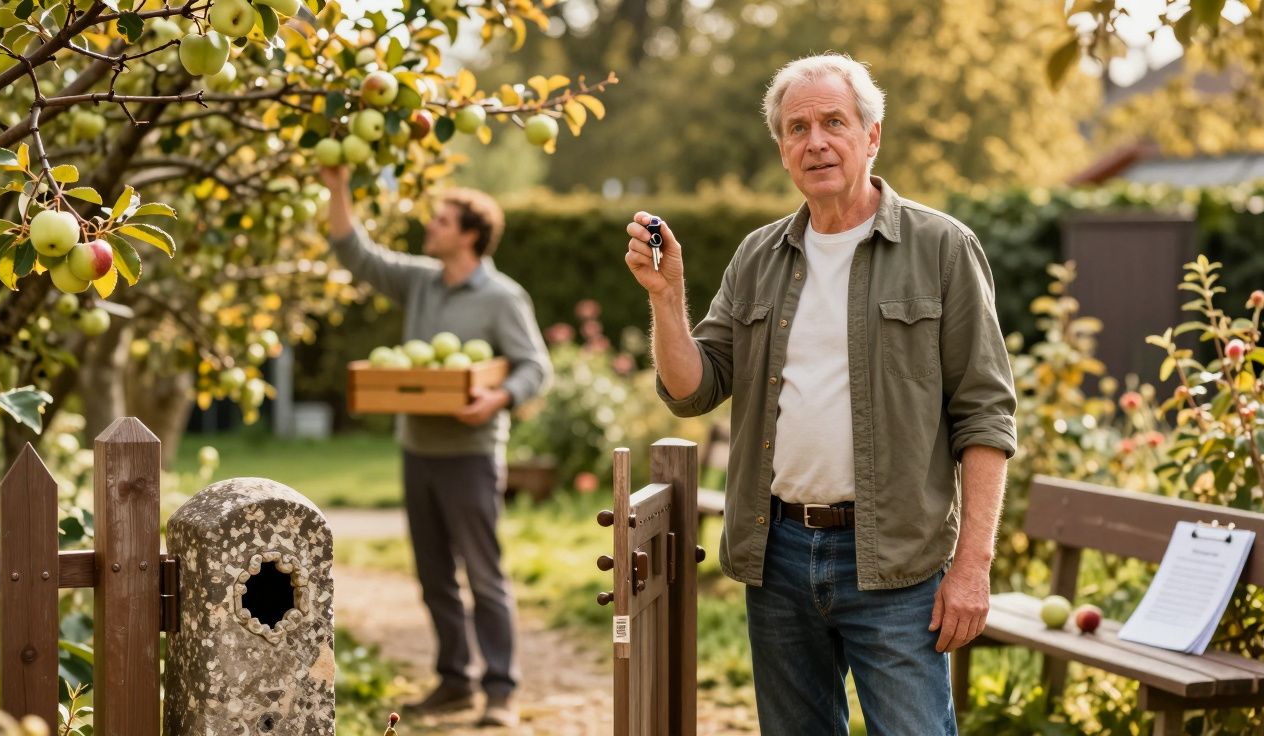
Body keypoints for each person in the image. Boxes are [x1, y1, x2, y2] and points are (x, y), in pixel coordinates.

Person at [623, 53, 1017, 735]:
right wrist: (666, 296)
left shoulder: (942, 248)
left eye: (834, 121)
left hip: (896, 563)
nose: (816, 141)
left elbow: (985, 414)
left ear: (872, 135)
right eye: (797, 128)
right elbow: (694, 390)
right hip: (776, 555)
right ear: (782, 151)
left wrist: (972, 567)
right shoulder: (758, 256)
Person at [320, 166, 550, 728]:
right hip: (417, 448)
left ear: (470, 234)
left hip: (471, 455)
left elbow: (534, 367)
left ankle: (501, 690)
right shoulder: (421, 280)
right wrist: (336, 186)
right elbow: (355, 252)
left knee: (483, 574)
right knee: (433, 576)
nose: (432, 225)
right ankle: (454, 681)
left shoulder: (501, 297)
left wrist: (495, 399)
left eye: (442, 220)